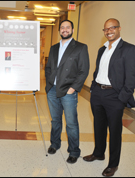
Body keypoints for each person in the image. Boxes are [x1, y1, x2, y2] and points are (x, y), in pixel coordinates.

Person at [83, 18, 135, 177]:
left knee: (115, 131)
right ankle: (98, 153)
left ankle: (113, 164)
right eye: (106, 29)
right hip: (98, 93)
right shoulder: (102, 50)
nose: (109, 31)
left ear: (119, 28)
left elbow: (133, 77)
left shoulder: (129, 49)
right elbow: (98, 71)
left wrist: (122, 98)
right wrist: (94, 88)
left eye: (112, 28)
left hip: (115, 96)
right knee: (98, 126)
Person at [45, 20, 89, 163]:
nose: (65, 29)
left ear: (72, 29)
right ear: (59, 30)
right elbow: (48, 68)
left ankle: (74, 151)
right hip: (52, 90)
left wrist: (73, 88)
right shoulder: (54, 47)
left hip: (68, 91)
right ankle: (55, 143)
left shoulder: (80, 48)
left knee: (71, 123)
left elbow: (83, 71)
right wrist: (49, 83)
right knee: (55, 120)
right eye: (62, 27)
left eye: (67, 27)